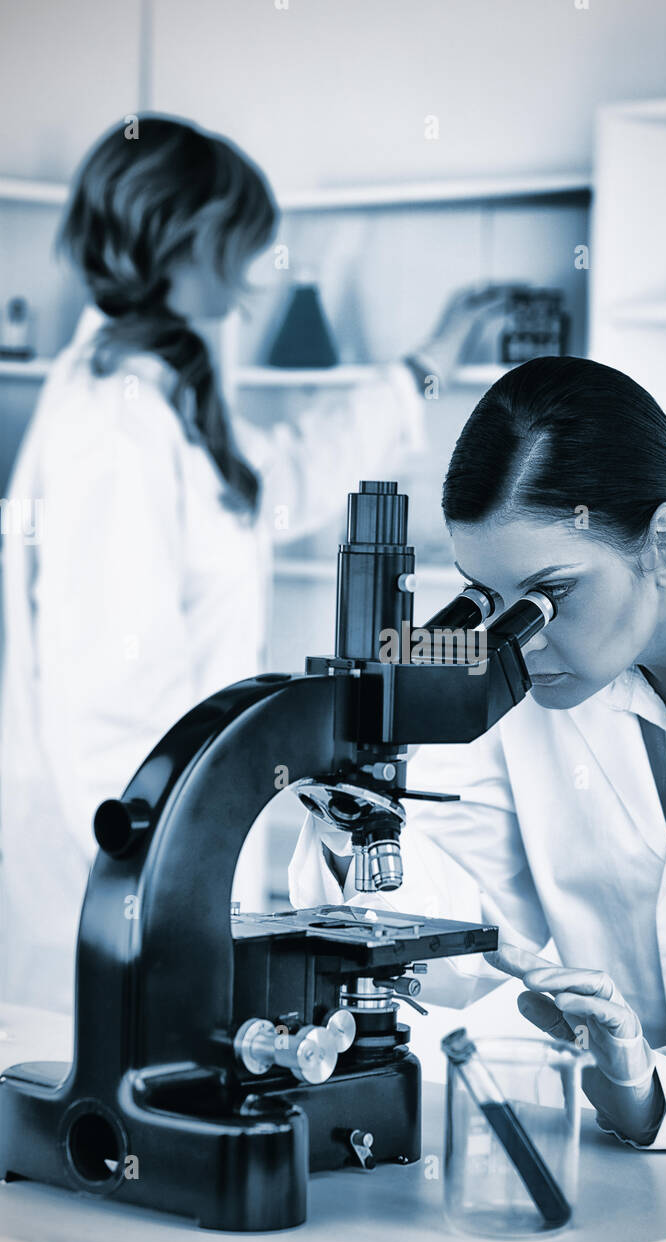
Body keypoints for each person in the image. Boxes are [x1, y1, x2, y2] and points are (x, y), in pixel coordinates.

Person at [290, 354, 666, 1152]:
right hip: (643, 1175)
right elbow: (449, 930)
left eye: (547, 596)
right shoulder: (545, 668)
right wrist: (353, 802)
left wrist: (662, 1096)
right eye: (489, 600)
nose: (516, 639)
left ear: (663, 546)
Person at [0, 115, 507, 1013]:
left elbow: (276, 486)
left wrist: (424, 368)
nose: (245, 280)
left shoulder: (162, 395)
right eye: (236, 247)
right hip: (119, 892)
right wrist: (177, 904)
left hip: (162, 871)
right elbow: (109, 707)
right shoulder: (113, 427)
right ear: (177, 238)